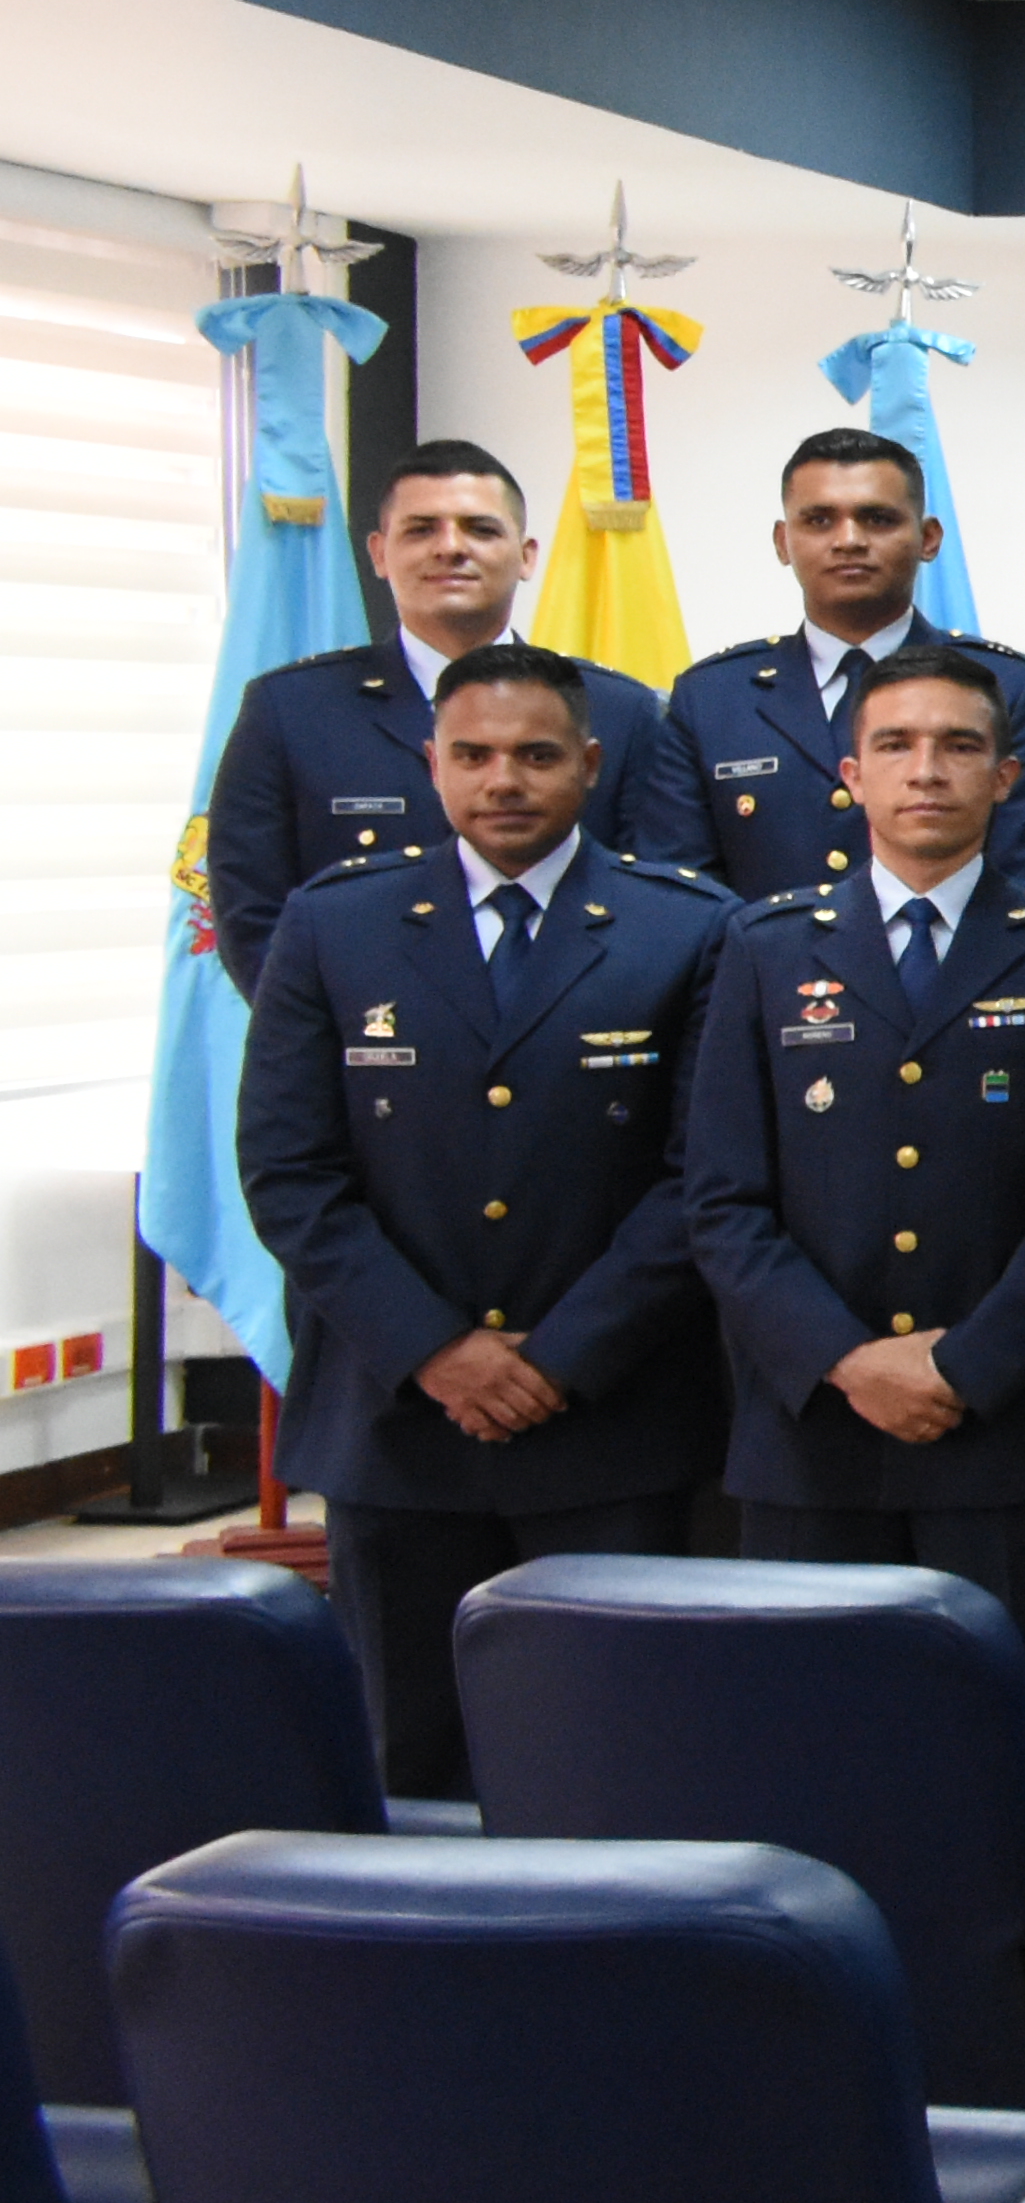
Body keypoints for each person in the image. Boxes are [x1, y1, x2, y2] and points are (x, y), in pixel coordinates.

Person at [233, 644, 733, 1793]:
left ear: (592, 764)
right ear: (432, 762)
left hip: (615, 1417)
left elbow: (700, 1176)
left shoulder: (686, 927)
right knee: (408, 1754)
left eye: (536, 754)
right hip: (399, 1422)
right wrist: (440, 1352)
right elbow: (290, 1172)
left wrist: (557, 1358)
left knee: (620, 1752)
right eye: (474, 754)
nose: (503, 779)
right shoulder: (334, 923)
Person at [675, 642, 1025, 1775]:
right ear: (850, 774)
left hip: (1006, 1425)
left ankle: (1014, 1962)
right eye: (897, 745)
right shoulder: (764, 948)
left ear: (1007, 777)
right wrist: (843, 1358)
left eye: (959, 745)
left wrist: (967, 1363)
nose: (927, 769)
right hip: (812, 1431)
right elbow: (723, 1196)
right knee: (814, 1749)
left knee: (1005, 1752)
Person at [206, 439, 697, 988]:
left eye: (480, 529)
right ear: (377, 553)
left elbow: (657, 906)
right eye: (421, 529)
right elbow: (252, 915)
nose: (450, 548)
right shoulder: (290, 711)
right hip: (371, 1055)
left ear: (528, 555)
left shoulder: (621, 711)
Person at [662, 427, 1025, 902]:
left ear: (928, 538)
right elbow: (681, 899)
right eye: (819, 521)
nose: (849, 540)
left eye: (877, 519)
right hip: (761, 974)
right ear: (783, 541)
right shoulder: (712, 698)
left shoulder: (1014, 689)